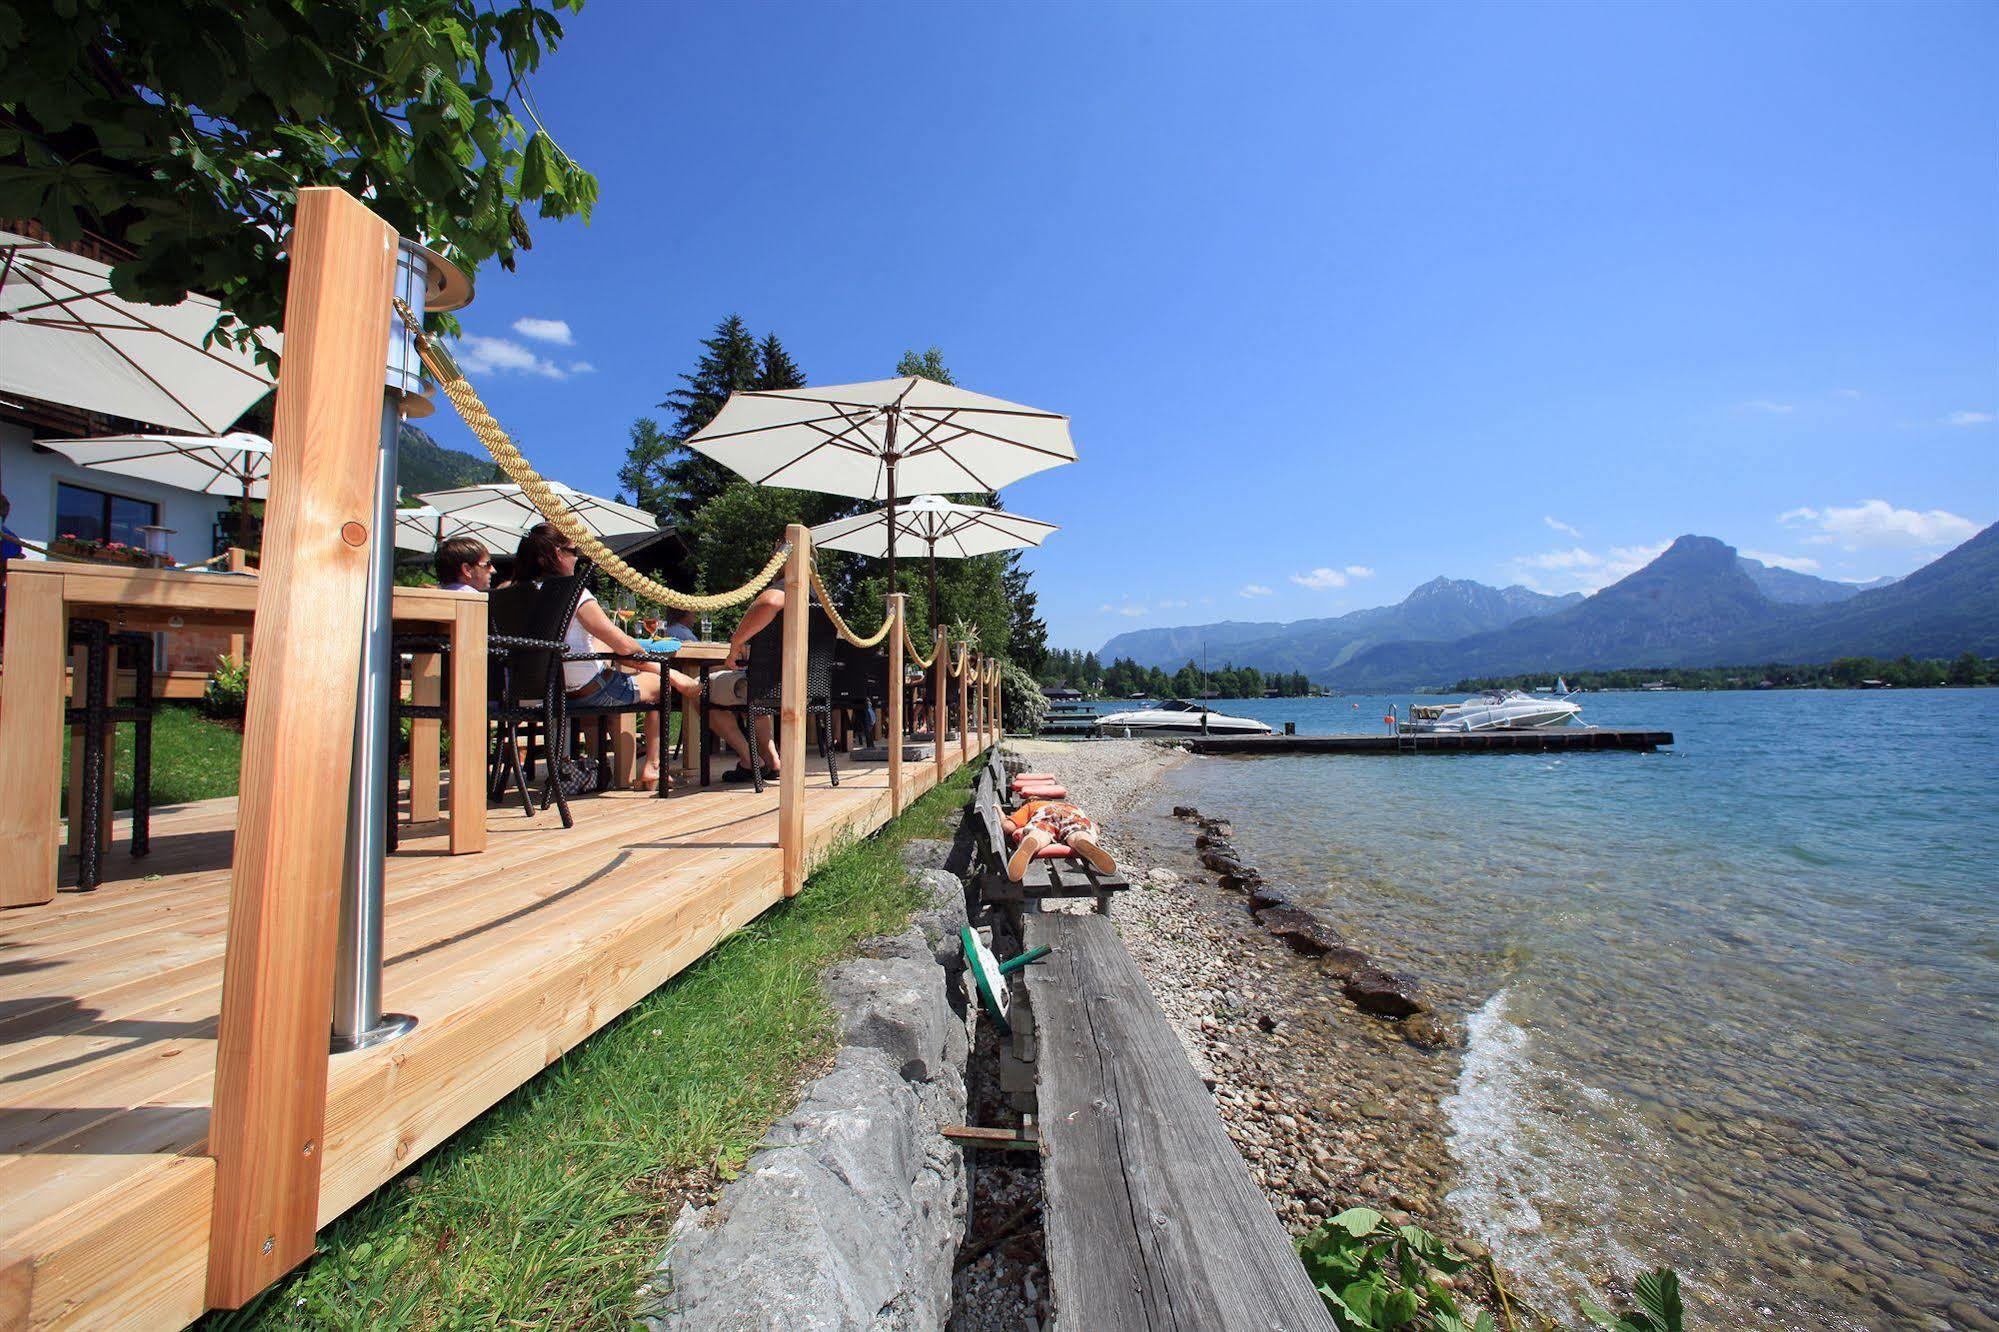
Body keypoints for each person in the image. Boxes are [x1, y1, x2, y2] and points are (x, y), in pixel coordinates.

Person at [511, 524, 763, 787]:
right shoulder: (573, 594)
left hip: (540, 695)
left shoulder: (515, 594)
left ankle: (604, 769)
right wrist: (656, 663)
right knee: (660, 684)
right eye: (574, 551)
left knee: (636, 675)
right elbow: (622, 645)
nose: (578, 557)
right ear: (555, 554)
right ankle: (652, 767)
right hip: (584, 690)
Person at [1004, 797, 1118, 881]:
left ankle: (1032, 841)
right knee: (1078, 831)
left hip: (1046, 813)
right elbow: (1096, 828)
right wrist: (1092, 834)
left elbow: (1008, 827)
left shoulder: (1031, 806)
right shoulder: (1069, 805)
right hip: (1072, 813)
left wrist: (1001, 815)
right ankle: (1084, 841)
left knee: (1040, 832)